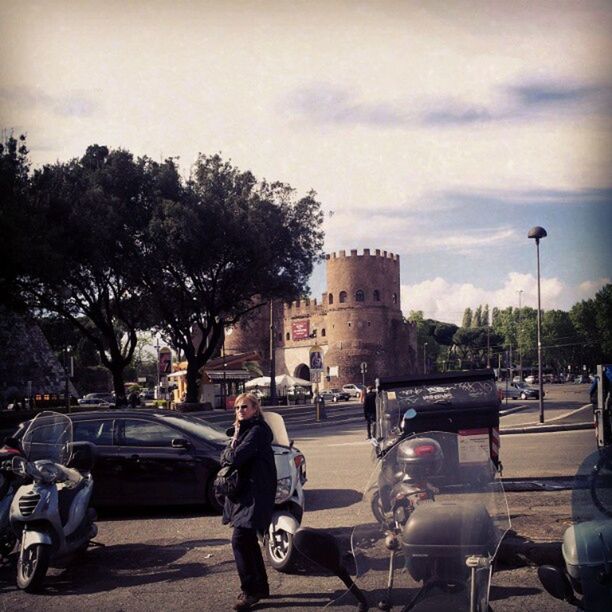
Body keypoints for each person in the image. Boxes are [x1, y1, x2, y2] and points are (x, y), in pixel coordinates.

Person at [220, 392, 277, 611]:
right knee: (249, 542)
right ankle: (261, 588)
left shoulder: (257, 431)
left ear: (255, 409)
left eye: (244, 407)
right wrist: (232, 443)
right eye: (237, 408)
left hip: (256, 494)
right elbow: (229, 454)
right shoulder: (242, 431)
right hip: (244, 494)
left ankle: (250, 591)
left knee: (240, 541)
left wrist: (230, 449)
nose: (240, 411)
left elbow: (233, 457)